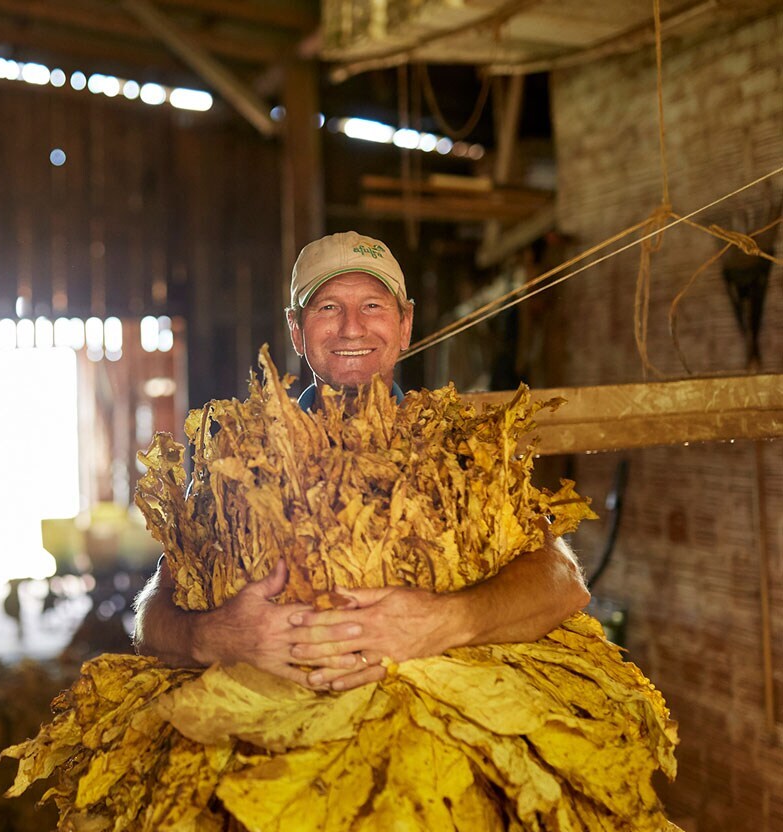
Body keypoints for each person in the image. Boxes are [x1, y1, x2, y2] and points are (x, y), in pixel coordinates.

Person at [132, 231, 590, 692]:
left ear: (405, 323)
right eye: (328, 307)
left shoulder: (462, 448)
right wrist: (211, 637)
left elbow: (563, 581)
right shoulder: (237, 459)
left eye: (373, 305)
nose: (352, 328)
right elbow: (153, 613)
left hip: (427, 726)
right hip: (274, 733)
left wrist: (450, 620)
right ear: (296, 329)